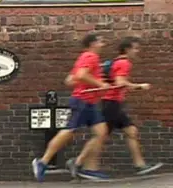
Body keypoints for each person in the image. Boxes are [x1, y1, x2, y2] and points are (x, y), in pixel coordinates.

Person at [66, 36, 162, 178]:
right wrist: (139, 86)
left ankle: (140, 165)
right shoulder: (124, 63)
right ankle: (78, 162)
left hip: (112, 103)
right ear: (127, 49)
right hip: (111, 104)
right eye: (135, 48)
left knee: (131, 131)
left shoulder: (116, 62)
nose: (137, 51)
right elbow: (120, 82)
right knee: (101, 135)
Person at [32, 33, 110, 182]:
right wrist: (100, 84)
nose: (103, 44)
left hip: (90, 101)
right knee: (69, 131)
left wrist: (92, 81)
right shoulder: (90, 57)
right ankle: (42, 162)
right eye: (101, 41)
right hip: (83, 101)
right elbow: (80, 75)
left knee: (101, 132)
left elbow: (69, 80)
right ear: (92, 44)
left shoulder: (85, 58)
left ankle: (88, 168)